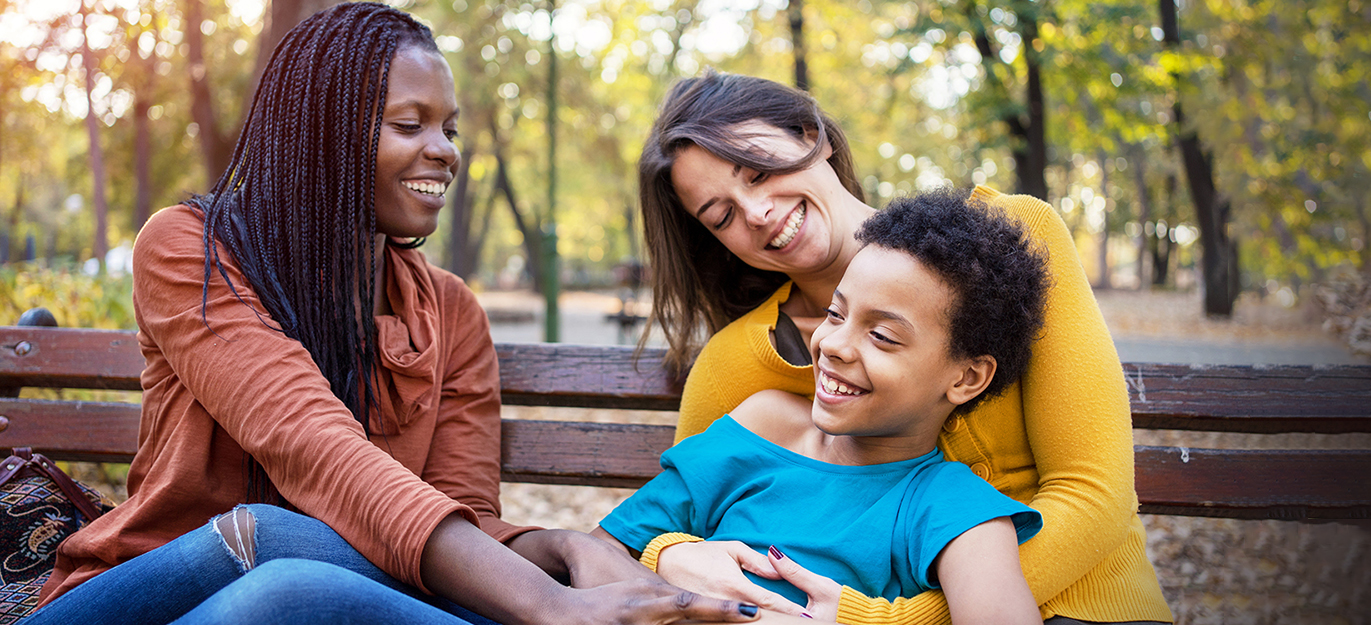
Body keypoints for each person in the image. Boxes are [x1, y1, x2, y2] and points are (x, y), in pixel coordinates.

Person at [25, 5, 764, 624]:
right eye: (410, 124)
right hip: (149, 590)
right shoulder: (192, 248)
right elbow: (315, 448)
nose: (442, 151)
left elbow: (460, 522)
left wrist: (557, 548)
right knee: (279, 550)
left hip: (328, 593)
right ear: (323, 131)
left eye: (450, 129)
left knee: (305, 578)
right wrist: (546, 603)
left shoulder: (450, 314)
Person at [636, 69, 1175, 625]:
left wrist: (896, 619)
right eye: (721, 216)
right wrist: (669, 554)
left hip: (1086, 605)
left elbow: (1094, 492)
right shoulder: (735, 362)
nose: (756, 213)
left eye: (758, 171)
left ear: (808, 134)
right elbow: (677, 525)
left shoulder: (1015, 238)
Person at [595, 188, 1048, 625]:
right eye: (835, 314)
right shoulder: (760, 426)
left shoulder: (951, 506)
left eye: (882, 336)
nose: (833, 345)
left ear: (966, 378)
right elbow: (600, 551)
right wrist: (668, 556)